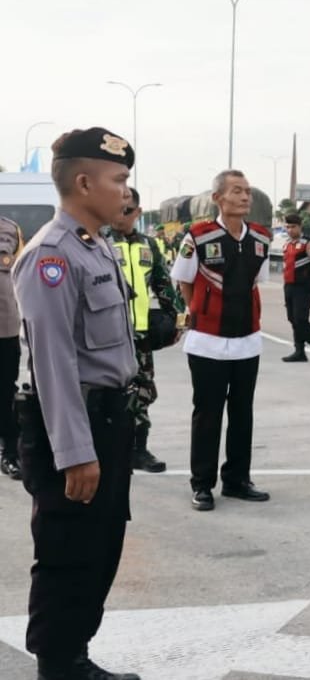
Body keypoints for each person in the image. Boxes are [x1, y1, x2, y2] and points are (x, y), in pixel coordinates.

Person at [13, 127, 141, 680]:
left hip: (108, 419)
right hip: (73, 425)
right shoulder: (52, 256)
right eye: (119, 179)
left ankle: (75, 657)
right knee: (67, 553)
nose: (126, 191)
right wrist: (75, 453)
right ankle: (57, 665)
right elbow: (53, 363)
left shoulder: (97, 245)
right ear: (84, 183)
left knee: (100, 549)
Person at [171, 170, 272, 512]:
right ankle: (202, 484)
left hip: (247, 341)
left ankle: (237, 480)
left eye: (247, 191)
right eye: (237, 191)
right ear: (218, 198)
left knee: (243, 414)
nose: (244, 197)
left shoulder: (260, 238)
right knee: (208, 415)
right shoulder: (198, 236)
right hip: (207, 343)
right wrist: (201, 311)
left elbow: (257, 281)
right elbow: (184, 280)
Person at [106, 187, 186, 473]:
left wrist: (177, 322)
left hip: (140, 336)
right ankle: (109, 450)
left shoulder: (149, 246)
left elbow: (165, 287)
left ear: (138, 213)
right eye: (116, 208)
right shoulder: (99, 242)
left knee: (142, 392)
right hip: (106, 338)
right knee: (106, 394)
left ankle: (138, 450)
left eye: (127, 210)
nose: (120, 215)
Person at [281, 213, 310, 363]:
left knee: (301, 319)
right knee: (292, 318)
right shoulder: (286, 244)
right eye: (287, 227)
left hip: (303, 286)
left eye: (293, 227)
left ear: (300, 227)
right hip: (289, 285)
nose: (290, 230)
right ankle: (299, 351)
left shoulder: (308, 244)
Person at [0, 215, 23, 480]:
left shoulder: (10, 228)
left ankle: (9, 453)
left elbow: (21, 274)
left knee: (6, 392)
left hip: (5, 330)